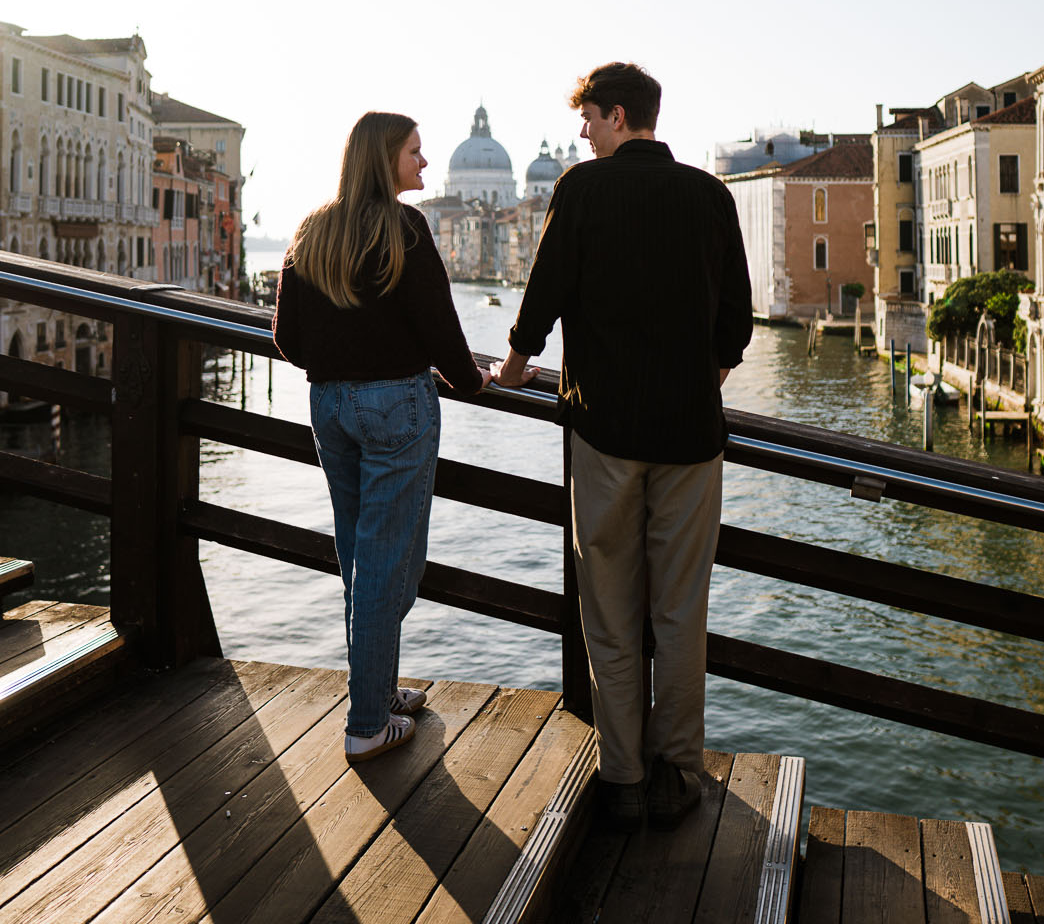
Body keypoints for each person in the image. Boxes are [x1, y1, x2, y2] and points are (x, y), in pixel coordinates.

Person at [488, 62, 751, 829]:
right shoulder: (709, 196)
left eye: (589, 118)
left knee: (607, 606)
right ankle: (681, 771)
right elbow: (735, 325)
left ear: (618, 115)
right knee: (679, 610)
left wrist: (510, 368)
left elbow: (543, 295)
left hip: (603, 433)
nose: (582, 132)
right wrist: (699, 384)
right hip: (692, 437)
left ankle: (625, 775)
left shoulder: (582, 189)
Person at [273, 112, 493, 763]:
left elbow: (287, 337)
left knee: (360, 557)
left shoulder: (313, 229)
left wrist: (339, 361)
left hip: (331, 405)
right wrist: (472, 381)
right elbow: (441, 331)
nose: (425, 164)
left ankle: (378, 690)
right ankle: (368, 722)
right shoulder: (406, 230)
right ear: (383, 159)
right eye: (415, 152)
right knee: (387, 565)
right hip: (395, 406)